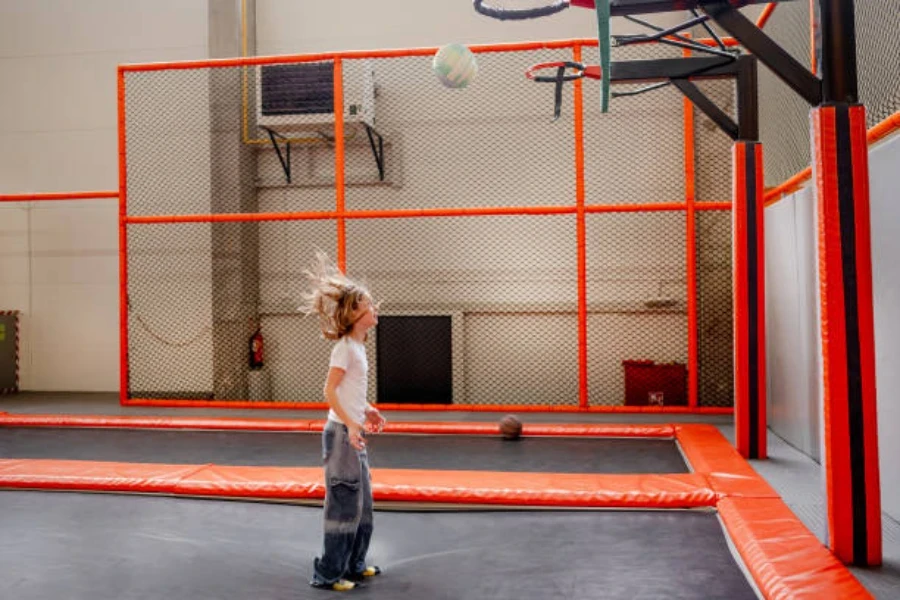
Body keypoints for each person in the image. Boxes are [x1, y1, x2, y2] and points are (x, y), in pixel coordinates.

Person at [301, 252, 387, 592]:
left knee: (362, 503)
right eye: (369, 304)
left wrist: (367, 410)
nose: (375, 308)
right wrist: (351, 424)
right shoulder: (345, 349)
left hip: (352, 432)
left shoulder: (359, 348)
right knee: (342, 504)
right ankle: (328, 573)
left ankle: (354, 564)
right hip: (340, 435)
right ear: (355, 314)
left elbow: (350, 392)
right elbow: (330, 391)